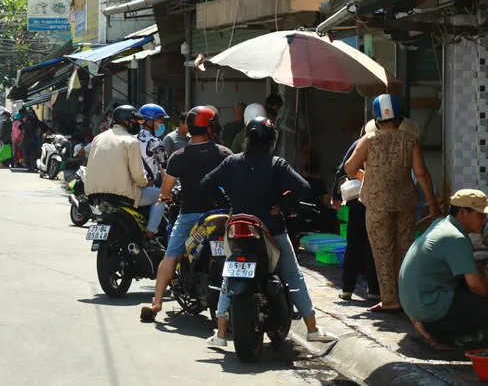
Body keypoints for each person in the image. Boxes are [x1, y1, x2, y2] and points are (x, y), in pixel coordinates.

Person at [201, 117, 337, 347]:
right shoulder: (276, 164)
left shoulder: (232, 162)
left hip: (237, 228)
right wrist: (283, 206)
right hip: (271, 229)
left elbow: (207, 182)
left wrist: (226, 203)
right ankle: (313, 328)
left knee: (228, 276)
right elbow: (303, 187)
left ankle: (221, 333)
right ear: (271, 140)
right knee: (294, 276)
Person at [344, 94, 440, 313]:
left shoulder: (368, 140)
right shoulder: (410, 140)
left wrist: (364, 175)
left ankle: (389, 300)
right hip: (405, 202)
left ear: (377, 118)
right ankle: (407, 298)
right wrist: (433, 205)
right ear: (400, 117)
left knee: (382, 252)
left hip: (376, 203)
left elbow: (349, 168)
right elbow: (422, 175)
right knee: (404, 250)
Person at [142, 106, 232, 322]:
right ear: (211, 128)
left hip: (190, 215)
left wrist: (167, 197)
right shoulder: (224, 153)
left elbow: (166, 190)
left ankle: (156, 303)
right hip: (223, 216)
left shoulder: (179, 156)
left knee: (170, 255)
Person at [401, 190, 488, 348]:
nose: (484, 220)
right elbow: (475, 285)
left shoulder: (442, 223)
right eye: (480, 215)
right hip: (427, 304)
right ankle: (434, 330)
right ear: (462, 212)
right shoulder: (457, 238)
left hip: (415, 300)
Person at [332, 127, 380, 302]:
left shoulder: (359, 144)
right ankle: (374, 290)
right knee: (376, 247)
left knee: (354, 246)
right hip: (379, 203)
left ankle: (347, 289)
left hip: (358, 203)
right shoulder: (388, 143)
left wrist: (335, 196)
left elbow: (342, 170)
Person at [83, 105, 148, 206]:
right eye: (134, 121)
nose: (136, 124)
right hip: (120, 195)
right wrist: (144, 183)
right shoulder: (131, 141)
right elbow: (137, 174)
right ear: (125, 121)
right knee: (159, 195)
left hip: (93, 195)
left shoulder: (98, 138)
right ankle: (152, 223)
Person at [136, 104, 169, 209]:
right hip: (145, 187)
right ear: (150, 122)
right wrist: (169, 189)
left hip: (128, 186)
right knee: (162, 198)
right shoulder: (155, 142)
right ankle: (152, 226)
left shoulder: (130, 138)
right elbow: (164, 169)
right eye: (160, 122)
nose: (161, 126)